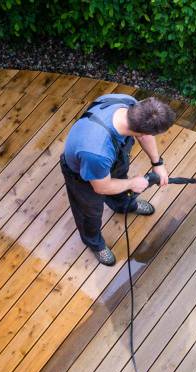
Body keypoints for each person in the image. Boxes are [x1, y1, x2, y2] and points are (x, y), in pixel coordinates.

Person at [60, 94, 175, 266]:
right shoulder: (97, 151)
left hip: (112, 160)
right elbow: (102, 187)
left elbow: (144, 136)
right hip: (84, 176)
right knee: (89, 213)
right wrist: (132, 183)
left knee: (121, 183)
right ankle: (94, 243)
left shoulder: (130, 104)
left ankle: (123, 206)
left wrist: (157, 163)